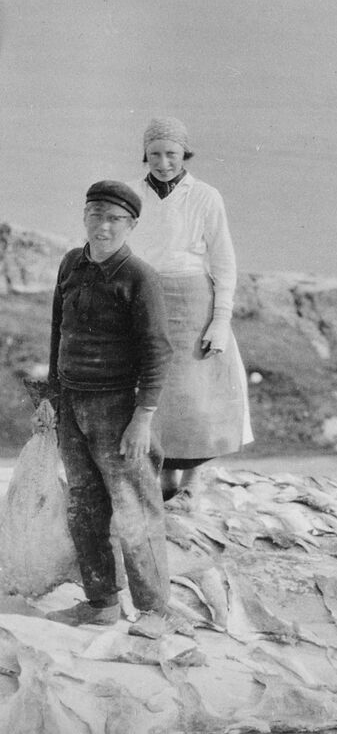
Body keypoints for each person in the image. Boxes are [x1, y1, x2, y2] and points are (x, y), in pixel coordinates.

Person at [45, 180, 189, 638]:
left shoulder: (139, 276)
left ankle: (154, 613)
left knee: (135, 511)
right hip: (72, 403)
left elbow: (157, 352)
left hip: (118, 409)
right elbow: (58, 331)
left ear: (131, 226)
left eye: (114, 219)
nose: (102, 227)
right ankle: (101, 603)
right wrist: (51, 397)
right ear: (84, 215)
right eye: (95, 215)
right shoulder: (72, 262)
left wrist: (143, 417)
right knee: (85, 507)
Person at [127, 117, 250, 502]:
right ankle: (159, 477)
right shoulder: (130, 193)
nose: (164, 163)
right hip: (143, 294)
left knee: (195, 393)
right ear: (145, 155)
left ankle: (193, 479)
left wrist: (220, 319)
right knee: (148, 389)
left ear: (185, 154)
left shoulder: (206, 196)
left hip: (194, 300)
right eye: (155, 154)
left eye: (172, 154)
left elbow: (224, 261)